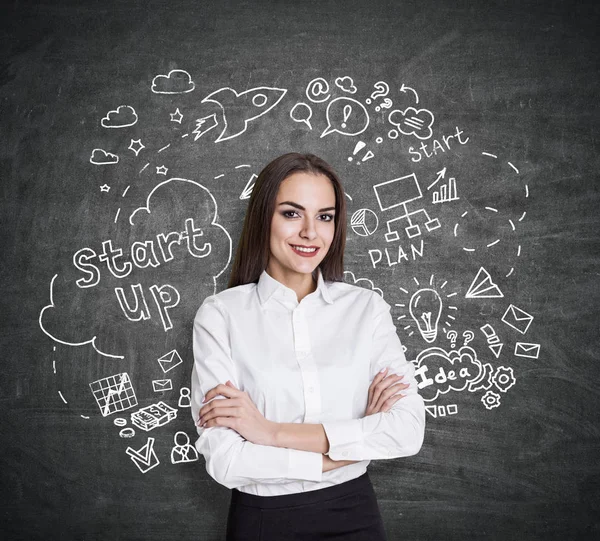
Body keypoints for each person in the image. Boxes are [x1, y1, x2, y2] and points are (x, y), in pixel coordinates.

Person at [190, 152, 426, 540]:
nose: (310, 233)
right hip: (264, 521)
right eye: (291, 213)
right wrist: (352, 445)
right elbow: (227, 460)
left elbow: (406, 431)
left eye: (325, 216)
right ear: (263, 216)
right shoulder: (221, 316)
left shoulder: (366, 310)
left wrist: (268, 432)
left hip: (356, 515)